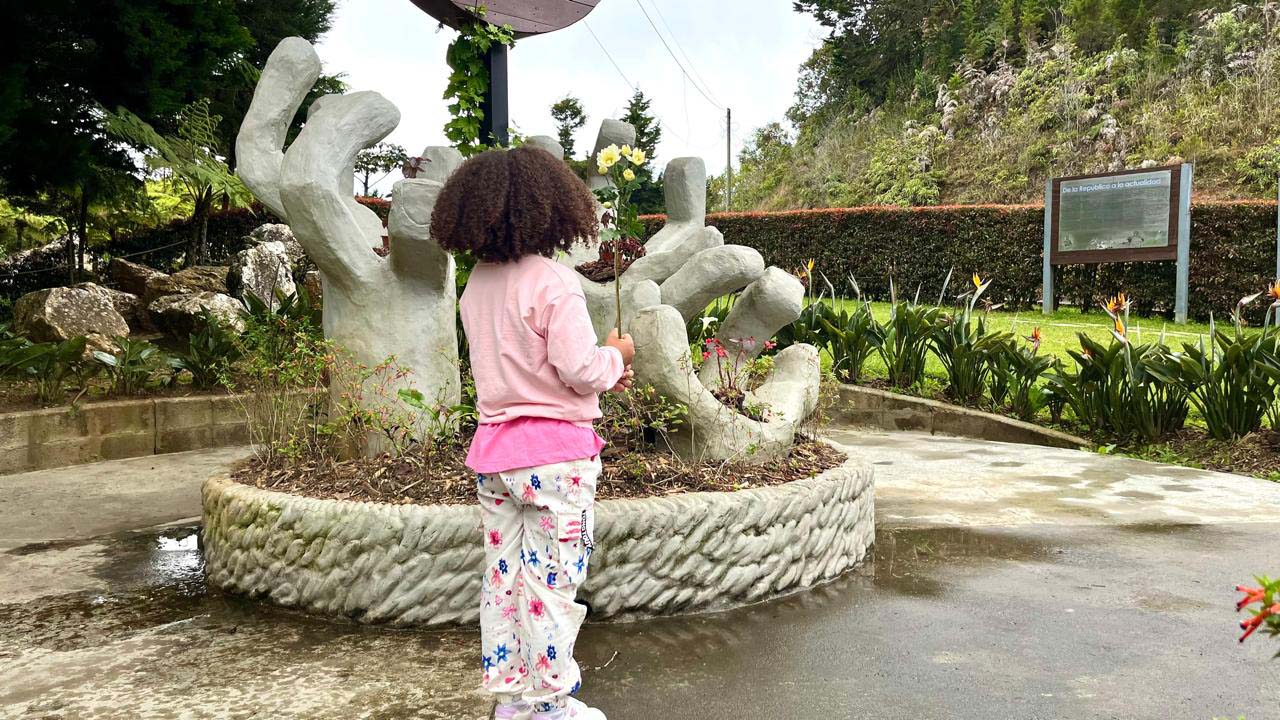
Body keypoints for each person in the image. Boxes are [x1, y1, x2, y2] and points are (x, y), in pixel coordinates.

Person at [432, 145, 635, 720]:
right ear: (552, 209)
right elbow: (579, 370)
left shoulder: (477, 284)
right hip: (555, 461)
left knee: (505, 578)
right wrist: (616, 356)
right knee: (552, 583)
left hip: (496, 457)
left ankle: (515, 698)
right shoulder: (554, 282)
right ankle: (549, 704)